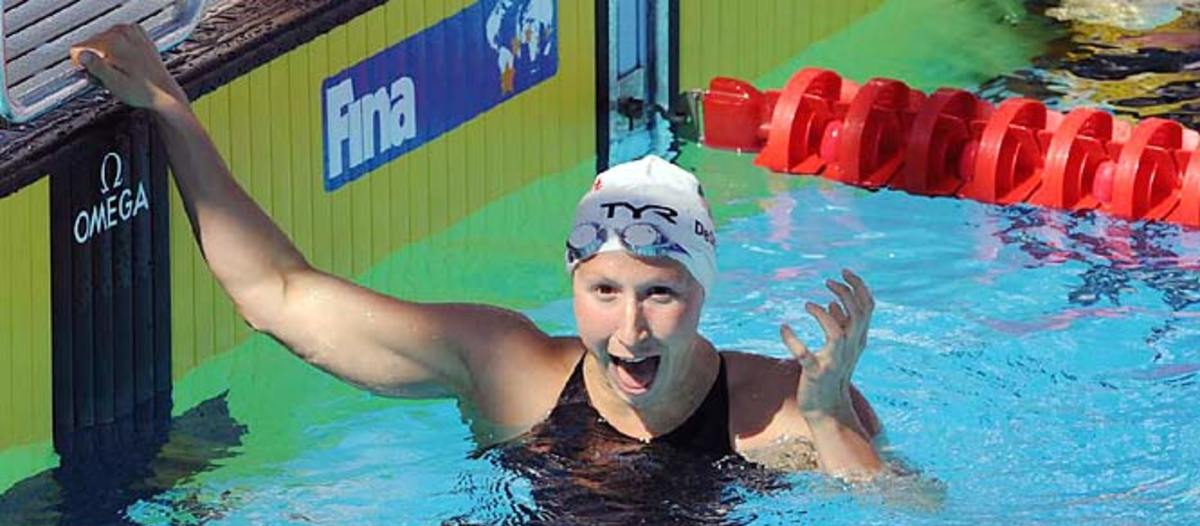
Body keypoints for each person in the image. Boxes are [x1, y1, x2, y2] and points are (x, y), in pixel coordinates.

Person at [72, 24, 884, 482]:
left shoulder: (784, 405)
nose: (629, 328)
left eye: (659, 293)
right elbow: (278, 295)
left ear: (703, 291)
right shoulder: (509, 369)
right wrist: (172, 111)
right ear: (573, 278)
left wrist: (829, 419)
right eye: (605, 290)